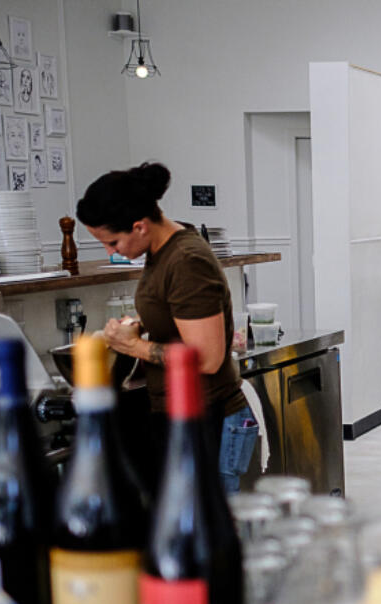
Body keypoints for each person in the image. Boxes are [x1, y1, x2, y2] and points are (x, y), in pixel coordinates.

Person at [75, 162, 257, 494]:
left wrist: (133, 346)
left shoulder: (185, 259)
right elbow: (175, 312)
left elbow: (207, 359)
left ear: (140, 227)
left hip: (211, 416)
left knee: (211, 538)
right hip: (188, 414)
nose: (110, 251)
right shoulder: (163, 252)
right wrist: (138, 327)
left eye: (113, 242)